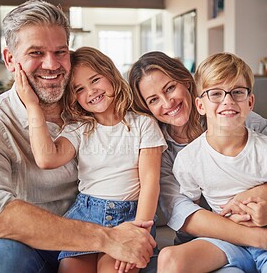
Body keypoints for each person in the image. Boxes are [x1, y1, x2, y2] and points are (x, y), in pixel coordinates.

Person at [0, 1, 157, 272]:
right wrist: (107, 238)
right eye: (36, 52)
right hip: (31, 246)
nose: (51, 64)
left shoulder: (89, 107)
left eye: (60, 52)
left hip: (106, 234)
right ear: (10, 59)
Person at [128, 51, 267, 272]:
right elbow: (182, 213)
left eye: (170, 88)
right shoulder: (159, 150)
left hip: (265, 223)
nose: (167, 102)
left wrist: (248, 198)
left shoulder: (232, 115)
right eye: (153, 100)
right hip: (211, 241)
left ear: (186, 82)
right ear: (147, 108)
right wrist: (262, 238)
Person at [15, 46, 166, 273]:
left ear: (110, 74)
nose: (91, 92)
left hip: (129, 219)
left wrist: (139, 232)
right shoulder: (79, 129)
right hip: (85, 216)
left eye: (95, 80)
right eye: (79, 89)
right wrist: (32, 105)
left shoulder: (143, 124)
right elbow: (47, 158)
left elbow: (150, 184)